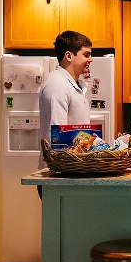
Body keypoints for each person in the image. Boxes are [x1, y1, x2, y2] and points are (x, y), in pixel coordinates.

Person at [39, 30, 93, 172]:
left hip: (73, 170)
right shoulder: (57, 84)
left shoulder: (76, 85)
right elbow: (58, 136)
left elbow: (78, 133)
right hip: (59, 174)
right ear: (69, 56)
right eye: (86, 54)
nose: (91, 59)